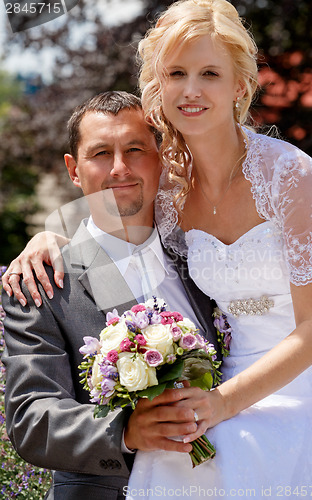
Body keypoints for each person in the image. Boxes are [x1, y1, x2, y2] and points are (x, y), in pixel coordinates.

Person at [3, 0, 312, 495]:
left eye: (209, 73)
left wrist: (221, 402)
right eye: (177, 72)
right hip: (193, 419)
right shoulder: (168, 189)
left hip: (296, 383)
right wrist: (48, 236)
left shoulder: (288, 176)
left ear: (240, 85)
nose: (192, 89)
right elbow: (107, 210)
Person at [1, 90, 221, 499]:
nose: (120, 168)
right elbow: (31, 418)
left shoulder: (206, 261)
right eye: (101, 153)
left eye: (136, 148)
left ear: (160, 158)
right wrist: (125, 431)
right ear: (74, 169)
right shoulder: (40, 282)